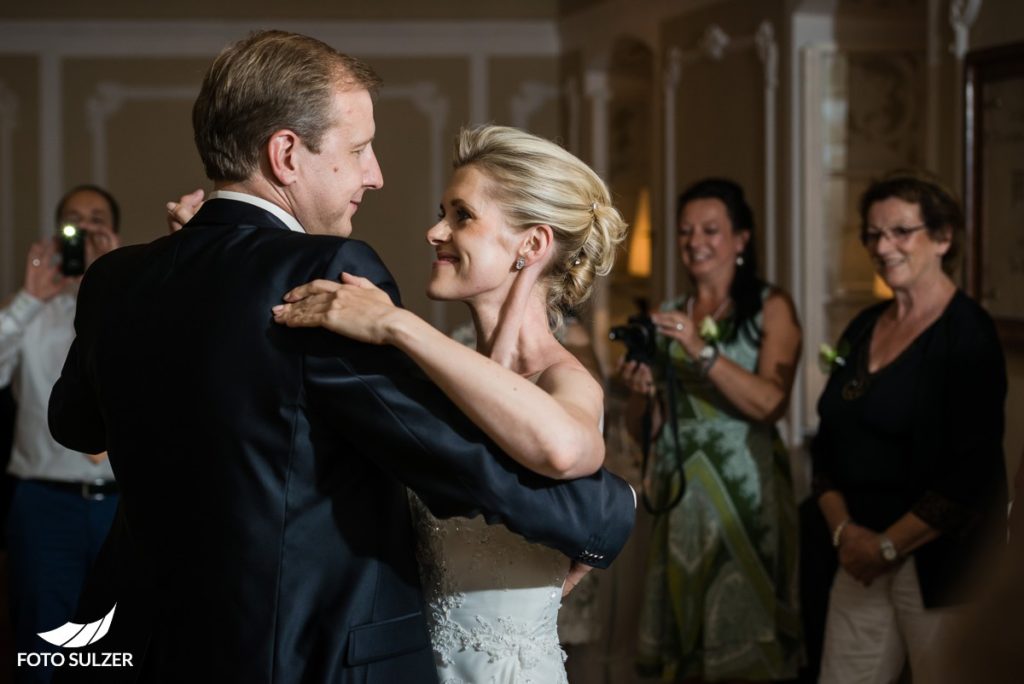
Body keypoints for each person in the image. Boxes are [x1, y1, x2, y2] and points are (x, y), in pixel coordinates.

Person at [46, 31, 635, 684]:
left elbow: (75, 426)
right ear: (287, 154)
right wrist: (608, 515)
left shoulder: (120, 279)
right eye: (359, 150)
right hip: (294, 655)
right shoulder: (321, 275)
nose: (376, 174)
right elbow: (454, 455)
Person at [271, 124, 628, 682]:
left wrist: (395, 322)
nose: (435, 230)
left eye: (462, 215)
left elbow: (565, 449)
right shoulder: (431, 382)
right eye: (444, 211)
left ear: (532, 245)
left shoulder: (565, 379)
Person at [811, 171, 1006, 683]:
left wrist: (888, 547)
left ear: (942, 238)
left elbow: (972, 472)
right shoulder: (862, 326)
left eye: (901, 231)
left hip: (942, 564)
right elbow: (828, 440)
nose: (884, 246)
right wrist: (846, 534)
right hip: (856, 552)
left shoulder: (968, 335)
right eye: (873, 234)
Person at [617, 178, 803, 681]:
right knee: (685, 628)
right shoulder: (670, 312)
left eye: (711, 230)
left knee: (744, 624)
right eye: (685, 231)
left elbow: (770, 403)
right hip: (680, 495)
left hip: (745, 492)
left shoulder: (771, 307)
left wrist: (702, 350)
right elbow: (640, 428)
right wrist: (639, 389)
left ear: (742, 239)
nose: (695, 241)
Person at [0, 185, 120, 683]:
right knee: (42, 649)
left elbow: (166, 374)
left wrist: (118, 282)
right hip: (43, 505)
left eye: (98, 220)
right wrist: (28, 298)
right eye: (76, 219)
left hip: (122, 507)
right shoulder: (30, 315)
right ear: (58, 233)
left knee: (119, 650)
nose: (87, 228)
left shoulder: (129, 310)